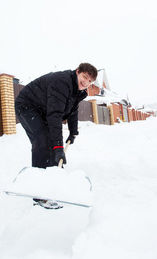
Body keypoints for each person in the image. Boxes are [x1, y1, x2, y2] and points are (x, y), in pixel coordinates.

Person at [15, 63, 98, 209]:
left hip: (42, 110)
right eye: (85, 77)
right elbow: (55, 115)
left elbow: (73, 111)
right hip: (27, 106)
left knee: (50, 142)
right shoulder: (62, 82)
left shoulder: (76, 91)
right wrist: (59, 146)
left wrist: (73, 133)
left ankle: (52, 179)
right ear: (77, 72)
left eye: (90, 81)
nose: (86, 83)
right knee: (42, 140)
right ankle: (40, 194)